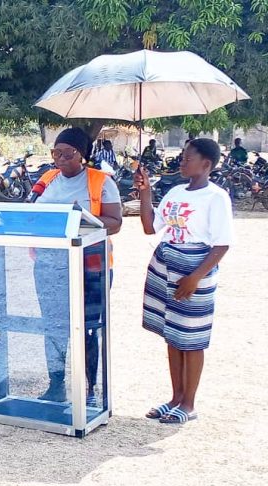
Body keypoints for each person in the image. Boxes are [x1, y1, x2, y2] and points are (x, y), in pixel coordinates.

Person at [134, 139, 234, 424]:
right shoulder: (176, 192)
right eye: (182, 156)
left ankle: (189, 404)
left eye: (187, 157)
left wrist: (195, 277)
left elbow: (222, 244)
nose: (181, 160)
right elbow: (149, 226)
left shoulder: (216, 197)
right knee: (173, 336)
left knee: (192, 339)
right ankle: (175, 398)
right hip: (167, 267)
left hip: (194, 272)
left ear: (206, 164)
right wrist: (145, 192)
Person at [29, 127, 122, 404]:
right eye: (55, 152)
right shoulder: (47, 179)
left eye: (66, 153)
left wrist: (78, 220)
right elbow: (30, 211)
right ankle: (55, 385)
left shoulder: (101, 182)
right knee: (53, 326)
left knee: (88, 326)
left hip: (91, 266)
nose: (60, 158)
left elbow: (115, 223)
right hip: (49, 265)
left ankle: (90, 390)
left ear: (81, 155)